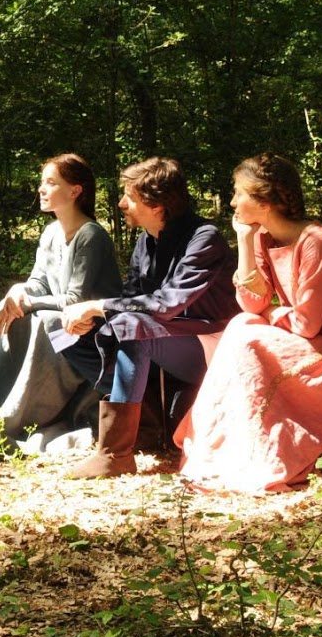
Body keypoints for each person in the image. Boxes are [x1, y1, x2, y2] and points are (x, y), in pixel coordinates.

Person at [174, 153, 322, 492]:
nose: (232, 202)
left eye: (239, 193)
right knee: (241, 324)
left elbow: (306, 323)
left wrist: (271, 314)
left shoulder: (317, 241)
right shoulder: (263, 236)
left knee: (248, 337)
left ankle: (262, 452)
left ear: (265, 201)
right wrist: (244, 240)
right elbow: (252, 303)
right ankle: (222, 447)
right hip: (307, 337)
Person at [55, 157, 237, 478]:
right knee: (70, 336)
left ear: (157, 205)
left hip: (213, 347)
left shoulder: (204, 238)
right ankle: (145, 425)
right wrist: (91, 321)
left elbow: (167, 304)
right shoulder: (146, 240)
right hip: (166, 338)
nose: (121, 204)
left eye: (130, 197)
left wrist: (97, 306)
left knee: (135, 330)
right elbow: (131, 297)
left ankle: (114, 453)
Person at [0, 154, 121, 450]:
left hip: (91, 331)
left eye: (51, 183)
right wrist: (18, 291)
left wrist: (29, 302)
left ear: (75, 191)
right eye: (42, 182)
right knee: (9, 309)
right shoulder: (52, 231)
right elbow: (38, 282)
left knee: (47, 322)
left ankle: (27, 417)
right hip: (63, 319)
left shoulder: (91, 236)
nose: (41, 189)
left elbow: (75, 299)